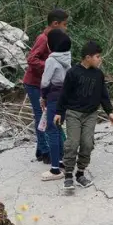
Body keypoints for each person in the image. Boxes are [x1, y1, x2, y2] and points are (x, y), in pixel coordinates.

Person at [54, 39, 113, 193]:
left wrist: (109, 111)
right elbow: (64, 94)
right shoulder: (73, 73)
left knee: (87, 144)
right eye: (97, 56)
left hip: (91, 115)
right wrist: (59, 112)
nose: (100, 59)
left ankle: (80, 173)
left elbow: (103, 94)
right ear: (88, 57)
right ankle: (68, 175)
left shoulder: (98, 74)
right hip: (73, 113)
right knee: (72, 143)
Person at [21, 8, 68, 164]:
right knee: (41, 116)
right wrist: (50, 66)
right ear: (55, 24)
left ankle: (41, 150)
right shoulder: (43, 39)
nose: (66, 28)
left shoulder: (55, 39)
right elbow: (31, 59)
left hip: (45, 85)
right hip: (34, 84)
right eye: (64, 24)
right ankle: (46, 151)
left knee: (46, 116)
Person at [37, 29, 71, 181]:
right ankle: (62, 161)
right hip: (65, 97)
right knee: (58, 127)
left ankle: (55, 169)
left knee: (52, 130)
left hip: (54, 97)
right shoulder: (67, 57)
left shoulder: (51, 60)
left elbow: (45, 82)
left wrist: (43, 97)